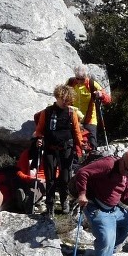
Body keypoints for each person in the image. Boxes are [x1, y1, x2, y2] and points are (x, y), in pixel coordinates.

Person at [34, 84, 86, 218]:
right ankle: (50, 205)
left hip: (66, 149)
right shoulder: (47, 112)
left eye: (68, 100)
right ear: (57, 97)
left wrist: (81, 145)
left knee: (65, 177)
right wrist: (39, 139)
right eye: (64, 99)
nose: (66, 102)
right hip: (50, 149)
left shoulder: (71, 113)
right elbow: (39, 131)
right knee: (50, 178)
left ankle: (64, 202)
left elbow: (76, 132)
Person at [66, 65, 111, 147]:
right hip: (74, 118)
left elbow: (108, 99)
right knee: (73, 144)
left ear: (86, 76)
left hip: (90, 120)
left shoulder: (92, 84)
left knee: (92, 143)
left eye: (82, 79)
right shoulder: (70, 82)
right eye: (77, 78)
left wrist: (101, 95)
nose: (79, 81)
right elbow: (62, 94)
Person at [13, 142, 45, 214]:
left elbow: (56, 172)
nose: (39, 143)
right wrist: (28, 178)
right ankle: (26, 199)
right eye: (37, 140)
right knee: (25, 185)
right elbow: (19, 171)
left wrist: (45, 179)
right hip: (27, 180)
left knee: (38, 188)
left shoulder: (49, 155)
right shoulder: (26, 153)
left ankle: (28, 198)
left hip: (42, 180)